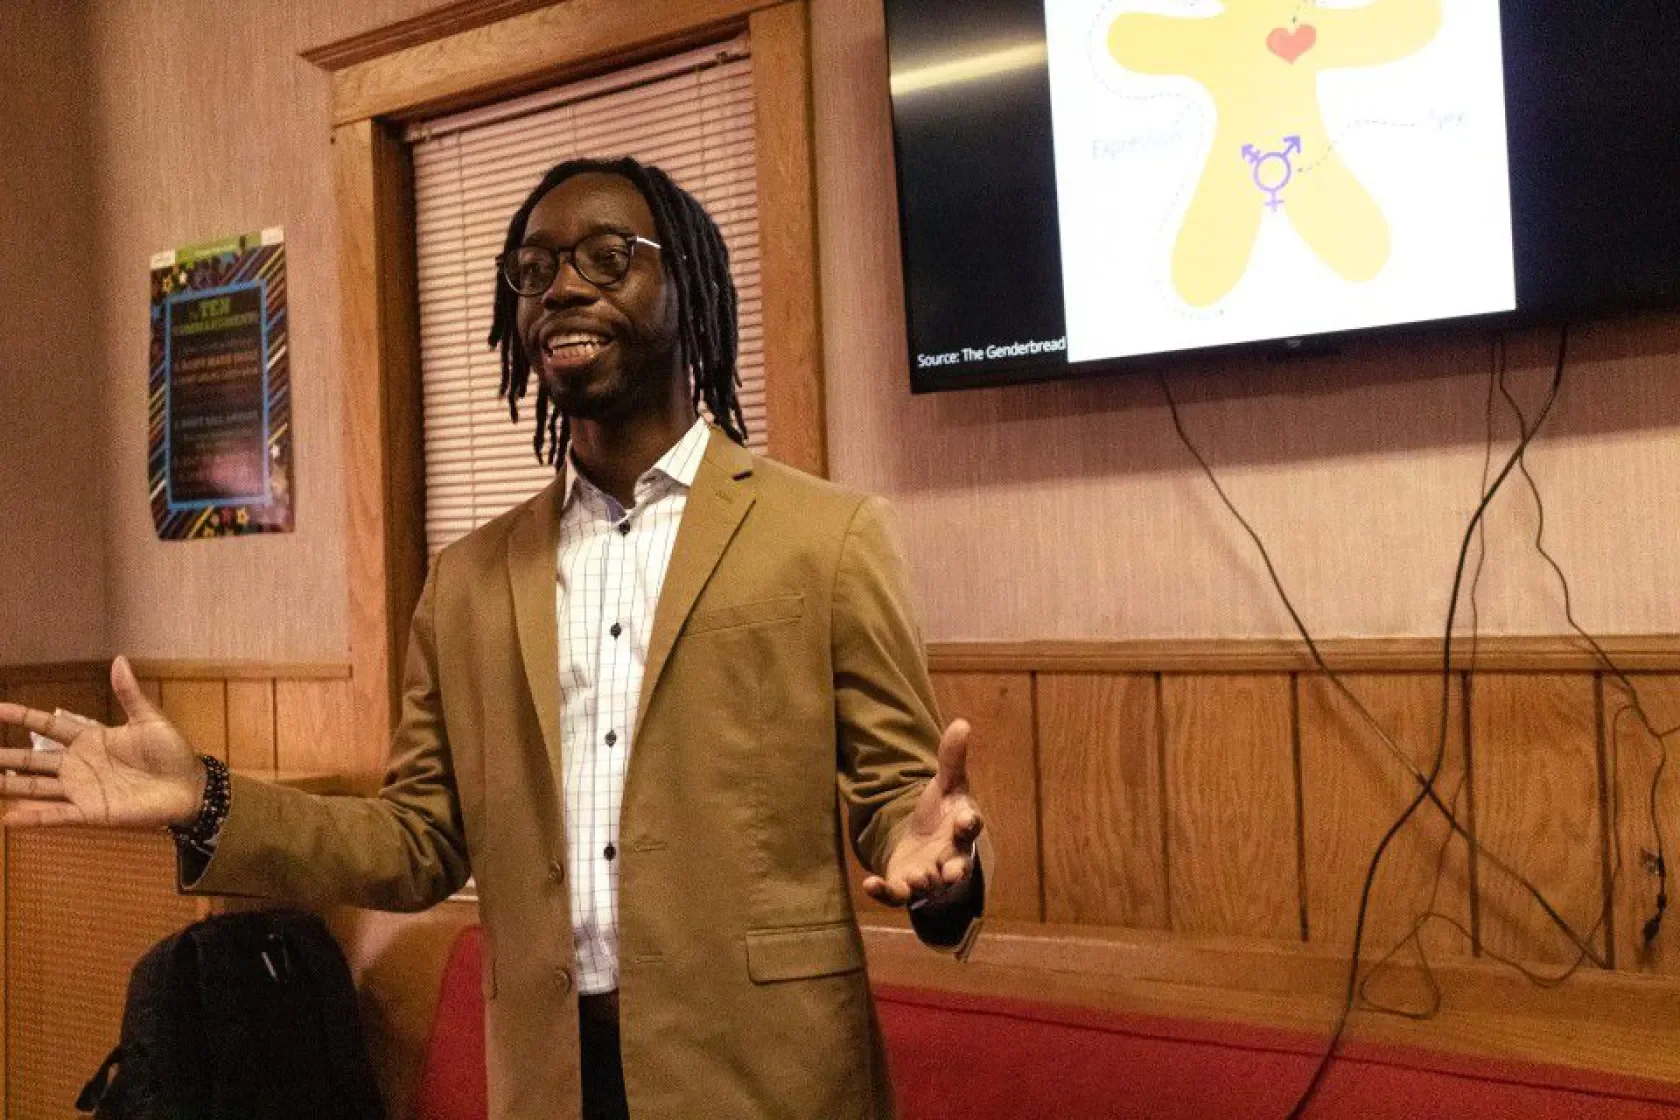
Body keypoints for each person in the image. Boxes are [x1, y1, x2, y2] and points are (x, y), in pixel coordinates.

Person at [0, 157, 987, 1120]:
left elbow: (906, 808)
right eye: (532, 269)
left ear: (687, 284)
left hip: (771, 1080)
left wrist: (935, 866)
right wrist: (204, 800)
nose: (559, 287)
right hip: (546, 1078)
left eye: (605, 256)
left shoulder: (827, 537)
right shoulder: (468, 580)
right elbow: (415, 842)